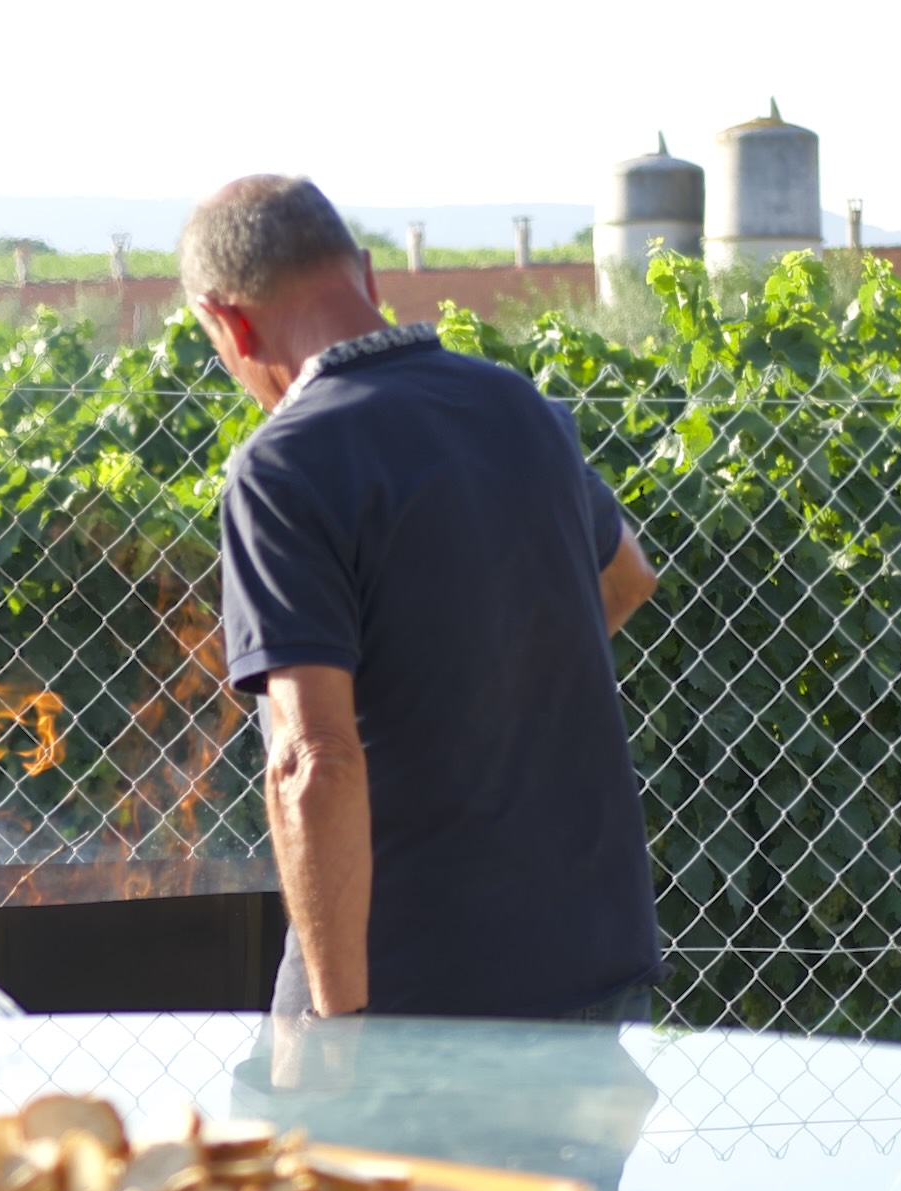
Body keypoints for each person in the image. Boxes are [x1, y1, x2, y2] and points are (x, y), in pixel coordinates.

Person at [180, 174, 665, 1022]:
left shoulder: (283, 467)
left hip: (410, 989)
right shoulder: (517, 407)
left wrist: (338, 1030)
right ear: (367, 275)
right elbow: (629, 577)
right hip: (588, 960)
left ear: (232, 322)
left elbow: (313, 760)